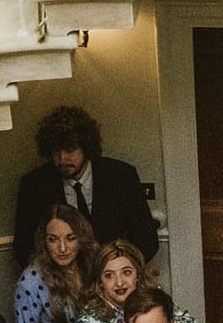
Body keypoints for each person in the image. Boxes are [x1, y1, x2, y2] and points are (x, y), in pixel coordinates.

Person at [12, 104, 158, 270]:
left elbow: (147, 241)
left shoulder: (120, 176)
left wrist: (119, 274)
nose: (62, 159)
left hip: (114, 278)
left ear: (86, 147)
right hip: (62, 284)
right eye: (56, 151)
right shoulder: (34, 185)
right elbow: (23, 249)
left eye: (70, 149)